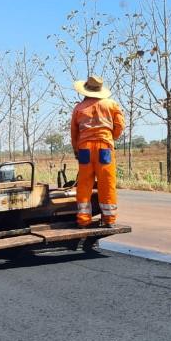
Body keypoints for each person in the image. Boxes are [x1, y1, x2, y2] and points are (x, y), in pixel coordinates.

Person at [70, 75, 125, 228]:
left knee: (84, 183)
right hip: (105, 148)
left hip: (85, 148)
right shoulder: (112, 105)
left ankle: (83, 219)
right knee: (106, 183)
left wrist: (76, 150)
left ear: (85, 90)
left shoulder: (78, 108)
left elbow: (74, 132)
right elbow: (119, 126)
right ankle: (109, 219)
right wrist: (110, 137)